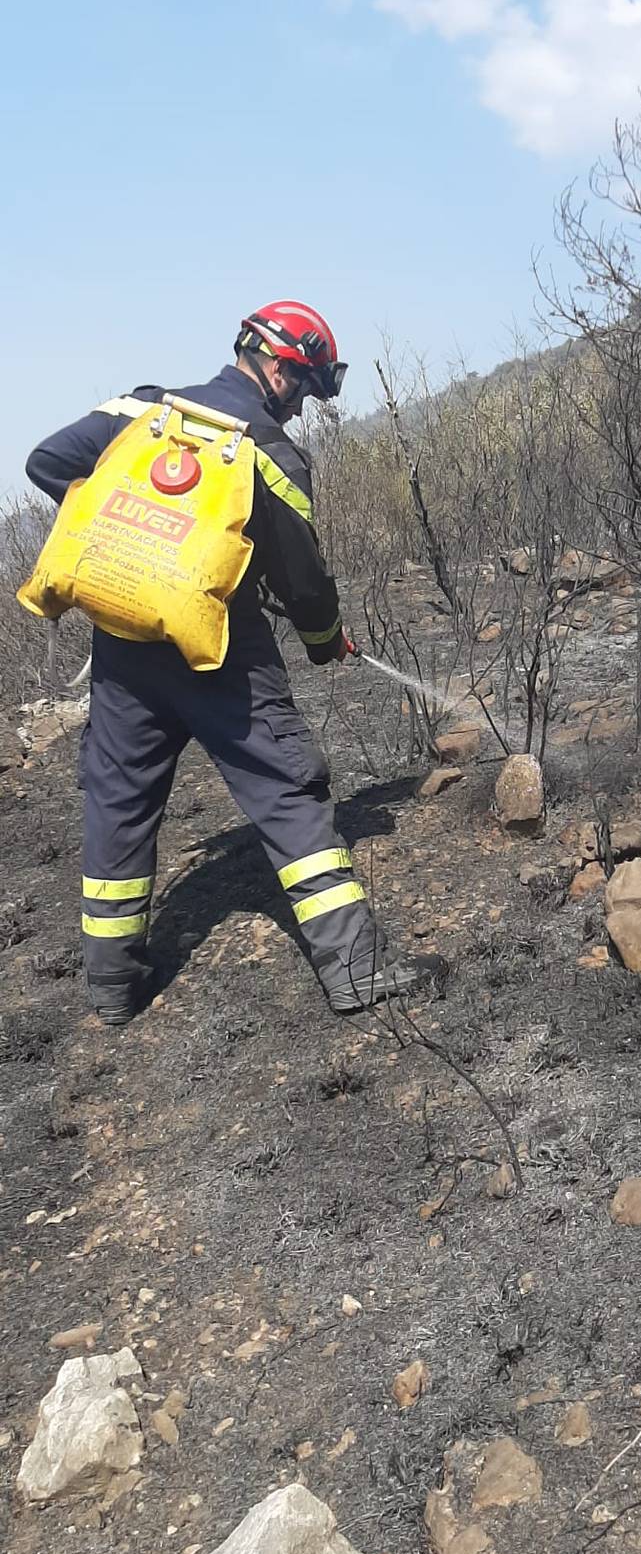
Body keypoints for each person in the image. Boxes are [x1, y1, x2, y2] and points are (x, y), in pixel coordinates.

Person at [25, 299, 442, 1025]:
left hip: (125, 648)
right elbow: (304, 583)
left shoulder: (143, 408)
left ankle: (114, 992)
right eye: (305, 389)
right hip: (221, 652)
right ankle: (358, 973)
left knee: (118, 804)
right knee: (288, 788)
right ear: (280, 369)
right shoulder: (269, 452)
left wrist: (134, 538)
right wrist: (323, 640)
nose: (303, 406)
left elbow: (45, 462)